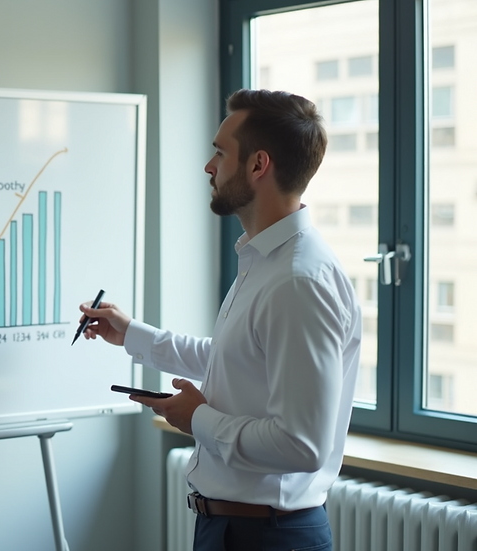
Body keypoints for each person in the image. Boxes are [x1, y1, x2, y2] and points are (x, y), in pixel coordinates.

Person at [81, 89, 360, 551]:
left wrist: (200, 420)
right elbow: (235, 360)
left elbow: (302, 445)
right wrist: (133, 334)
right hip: (235, 529)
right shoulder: (265, 262)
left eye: (219, 152)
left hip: (267, 536)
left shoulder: (297, 281)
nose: (208, 166)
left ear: (258, 165)